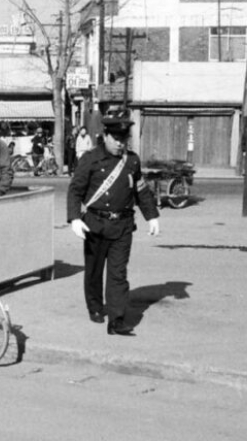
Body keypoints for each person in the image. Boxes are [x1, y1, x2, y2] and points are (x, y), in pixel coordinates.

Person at [67, 117, 160, 336]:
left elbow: (141, 190)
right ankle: (95, 306)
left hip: (123, 226)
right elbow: (75, 190)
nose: (120, 144)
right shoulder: (91, 159)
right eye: (116, 139)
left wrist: (152, 216)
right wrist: (74, 218)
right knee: (94, 271)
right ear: (105, 136)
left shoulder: (132, 161)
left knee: (118, 273)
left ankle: (117, 320)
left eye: (124, 139)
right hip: (95, 224)